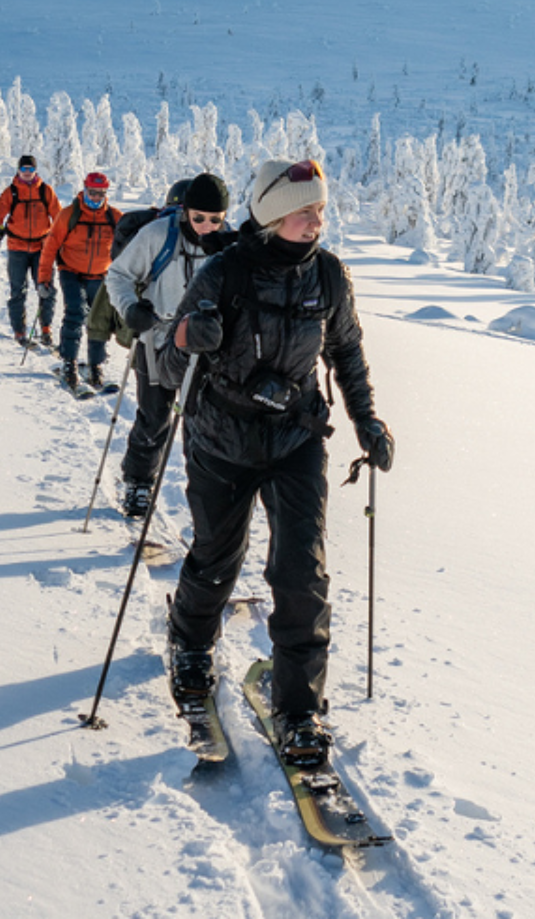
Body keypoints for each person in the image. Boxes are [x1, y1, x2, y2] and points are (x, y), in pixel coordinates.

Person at [160, 158, 395, 767]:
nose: (317, 221)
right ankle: (189, 644)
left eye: (320, 209)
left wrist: (367, 419)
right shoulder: (224, 271)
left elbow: (346, 351)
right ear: (269, 214)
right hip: (220, 437)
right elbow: (165, 359)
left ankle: (300, 711)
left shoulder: (329, 277)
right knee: (217, 554)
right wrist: (190, 337)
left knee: (301, 574)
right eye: (303, 211)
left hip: (294, 439)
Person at [105, 173, 234, 516]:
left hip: (204, 345)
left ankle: (205, 497)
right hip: (157, 339)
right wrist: (131, 308)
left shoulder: (228, 246)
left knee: (202, 422)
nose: (207, 226)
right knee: (155, 416)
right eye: (199, 217)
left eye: (215, 220)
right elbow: (117, 275)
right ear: (186, 211)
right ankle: (138, 484)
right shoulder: (157, 235)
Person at [86, 177, 193, 360]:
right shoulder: (157, 232)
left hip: (143, 326)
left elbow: (101, 312)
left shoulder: (148, 228)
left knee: (148, 373)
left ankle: (96, 363)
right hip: (172, 329)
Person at [39, 171, 123, 390]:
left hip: (100, 274)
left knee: (98, 321)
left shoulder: (114, 217)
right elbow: (50, 247)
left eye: (100, 194)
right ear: (84, 190)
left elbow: (132, 246)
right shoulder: (69, 215)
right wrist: (44, 279)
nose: (95, 198)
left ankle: (96, 366)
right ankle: (69, 363)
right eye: (92, 193)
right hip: (71, 271)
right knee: (75, 312)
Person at [0, 155, 61, 347]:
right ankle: (19, 330)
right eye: (24, 170)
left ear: (36, 172)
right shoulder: (11, 193)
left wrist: (58, 239)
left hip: (41, 248)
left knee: (46, 289)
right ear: (18, 171)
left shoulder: (46, 191)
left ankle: (46, 329)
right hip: (17, 248)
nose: (27, 174)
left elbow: (59, 218)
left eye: (30, 170)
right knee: (17, 290)